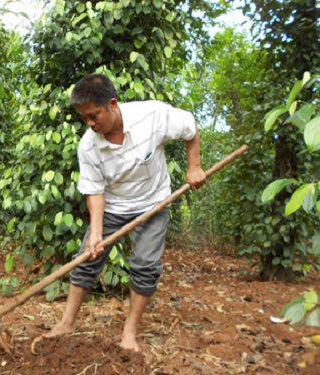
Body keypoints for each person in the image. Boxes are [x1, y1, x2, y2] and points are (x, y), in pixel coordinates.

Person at [45, 73, 206, 352]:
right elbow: (94, 191)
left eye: (94, 116)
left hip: (154, 203)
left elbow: (190, 127)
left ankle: (130, 330)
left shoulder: (152, 115)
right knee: (86, 258)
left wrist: (194, 167)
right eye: (84, 118)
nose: (90, 124)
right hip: (113, 207)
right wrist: (96, 234)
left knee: (145, 266)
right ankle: (67, 322)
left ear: (113, 104)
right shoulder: (88, 145)